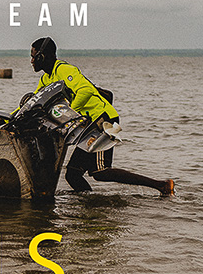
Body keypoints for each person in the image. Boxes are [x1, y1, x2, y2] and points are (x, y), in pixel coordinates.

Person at [29, 37, 174, 196]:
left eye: (34, 56)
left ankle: (162, 186)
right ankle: (91, 203)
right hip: (88, 126)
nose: (31, 61)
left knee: (101, 171)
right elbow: (33, 103)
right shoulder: (46, 79)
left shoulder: (64, 70)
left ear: (44, 56)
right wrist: (6, 120)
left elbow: (86, 90)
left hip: (103, 120)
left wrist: (69, 114)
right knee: (73, 174)